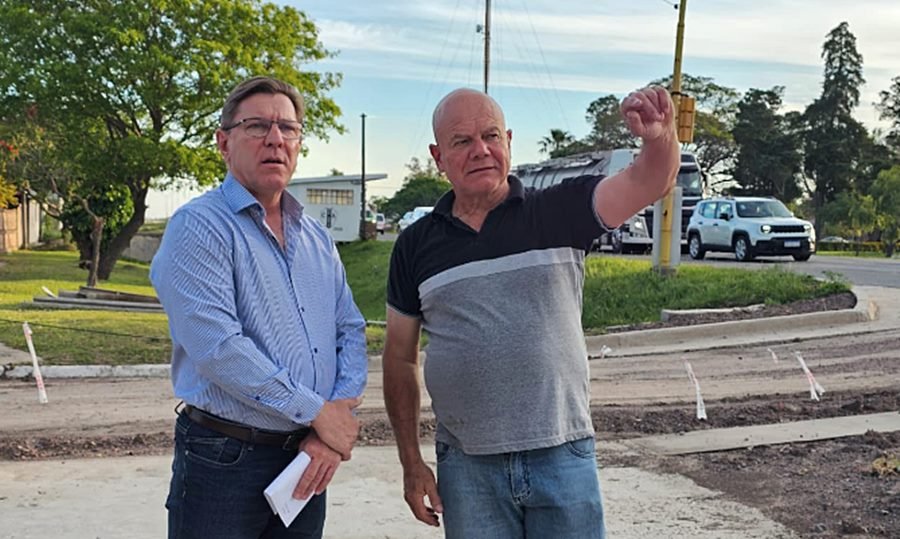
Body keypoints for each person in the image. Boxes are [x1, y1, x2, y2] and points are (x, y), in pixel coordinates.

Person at [382, 86, 679, 538]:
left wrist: (659, 138)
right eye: (462, 141)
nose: (481, 150)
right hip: (467, 468)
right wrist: (410, 462)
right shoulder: (415, 245)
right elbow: (399, 357)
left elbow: (649, 180)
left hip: (562, 456)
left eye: (491, 136)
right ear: (438, 156)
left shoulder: (561, 210)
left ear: (509, 142)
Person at [150, 76, 367, 539]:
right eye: (257, 126)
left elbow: (349, 329)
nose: (275, 139)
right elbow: (218, 347)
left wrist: (335, 419)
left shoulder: (316, 238)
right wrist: (318, 411)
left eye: (288, 128)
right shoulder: (199, 227)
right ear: (224, 143)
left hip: (307, 456)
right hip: (224, 460)